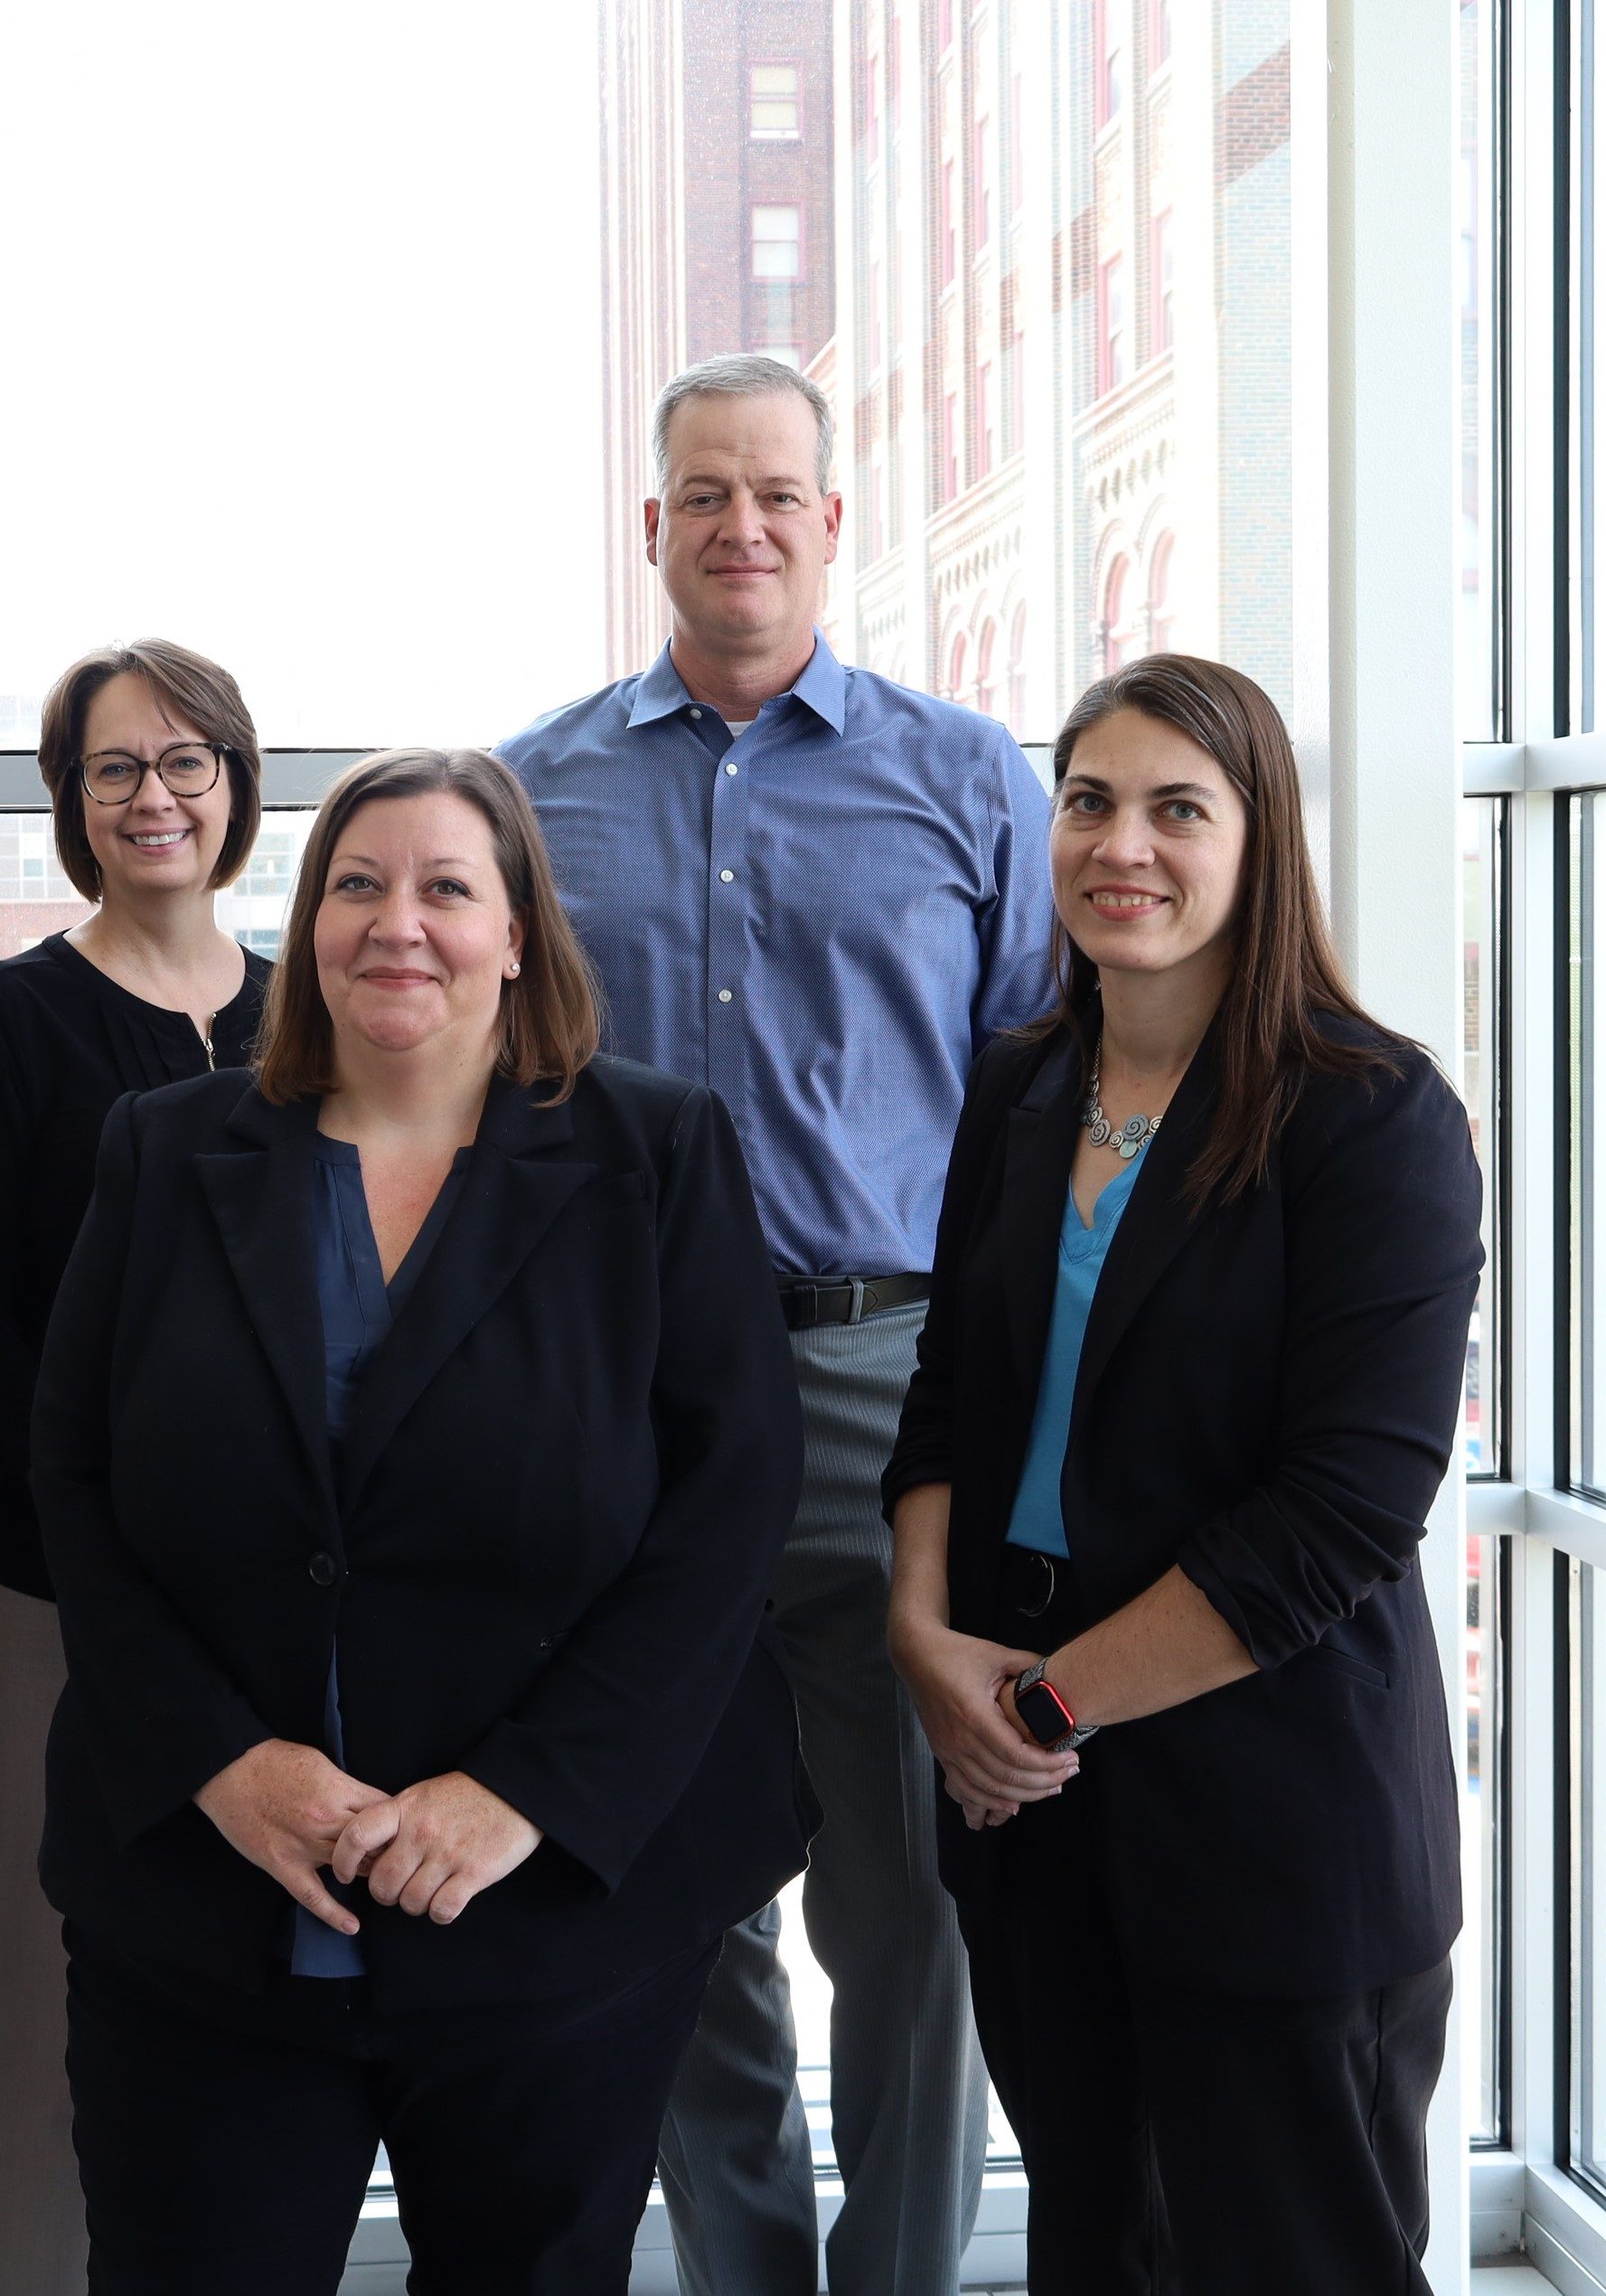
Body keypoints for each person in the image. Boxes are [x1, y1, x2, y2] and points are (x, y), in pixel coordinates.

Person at [30, 747, 811, 2294]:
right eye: (357, 885)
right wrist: (219, 1763)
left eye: (447, 888)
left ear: (517, 931)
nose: (399, 923)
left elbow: (727, 1514)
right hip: (208, 1914)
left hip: (548, 1922)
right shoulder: (166, 1152)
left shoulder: (652, 1155)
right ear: (309, 921)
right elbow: (74, 1480)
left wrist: (521, 1794)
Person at [499, 351, 1055, 2296]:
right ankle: (749, 2274)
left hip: (877, 1381)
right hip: (621, 1393)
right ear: (652, 526)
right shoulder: (530, 789)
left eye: (778, 494)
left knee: (909, 1898)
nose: (742, 526)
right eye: (703, 495)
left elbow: (1034, 1114)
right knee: (666, 1879)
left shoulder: (969, 778)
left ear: (833, 520)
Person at [882, 655, 1480, 2294]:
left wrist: (1045, 1709)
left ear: (1256, 839)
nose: (1118, 845)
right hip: (1033, 1813)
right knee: (1094, 2248)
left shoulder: (1371, 1119)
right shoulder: (1016, 1083)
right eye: (1086, 801)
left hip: (1267, 1814)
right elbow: (946, 1395)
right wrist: (925, 1646)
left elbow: (1342, 1514)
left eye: (1174, 809)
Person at [0, 639, 271, 2294]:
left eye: (186, 761)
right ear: (70, 802)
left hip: (275, 1605)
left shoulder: (311, 1008)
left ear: (237, 783)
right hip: (48, 1588)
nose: (155, 796)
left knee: (257, 1989)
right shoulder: (7, 1017)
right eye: (116, 768)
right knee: (61, 1990)